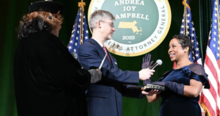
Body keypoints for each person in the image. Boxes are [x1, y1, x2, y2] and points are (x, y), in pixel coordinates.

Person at [14, 1, 101, 116]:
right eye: (59, 20)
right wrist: (90, 75)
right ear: (51, 20)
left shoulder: (23, 44)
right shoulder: (46, 41)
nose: (60, 26)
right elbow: (68, 77)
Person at [78, 10, 155, 116]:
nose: (114, 29)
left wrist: (140, 90)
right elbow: (104, 72)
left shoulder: (110, 56)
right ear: (99, 24)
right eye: (111, 25)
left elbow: (114, 83)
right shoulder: (87, 48)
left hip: (114, 109)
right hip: (99, 109)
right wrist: (138, 75)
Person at [142, 35, 210, 116]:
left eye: (173, 46)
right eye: (169, 47)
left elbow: (194, 91)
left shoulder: (195, 68)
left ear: (186, 48)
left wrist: (168, 84)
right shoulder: (167, 74)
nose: (169, 50)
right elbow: (151, 98)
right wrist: (146, 78)